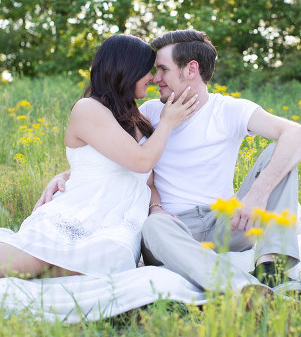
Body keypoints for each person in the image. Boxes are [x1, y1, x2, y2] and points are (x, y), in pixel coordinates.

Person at [39, 29, 301, 292]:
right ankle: (240, 286)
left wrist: (257, 195)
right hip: (171, 226)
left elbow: (297, 134)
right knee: (152, 225)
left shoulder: (229, 109)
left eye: (163, 69)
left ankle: (272, 269)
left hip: (227, 222)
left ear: (191, 69)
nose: (155, 77)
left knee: (281, 154)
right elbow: (114, 158)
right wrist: (65, 176)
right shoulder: (150, 112)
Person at [0, 35, 199, 278]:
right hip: (82, 211)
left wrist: (155, 207)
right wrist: (168, 122)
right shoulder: (88, 109)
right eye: (147, 70)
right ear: (126, 70)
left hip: (117, 227)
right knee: (24, 267)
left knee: (93, 273)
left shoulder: (137, 118)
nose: (153, 78)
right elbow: (140, 162)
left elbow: (145, 178)